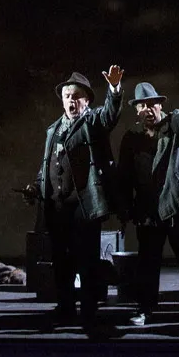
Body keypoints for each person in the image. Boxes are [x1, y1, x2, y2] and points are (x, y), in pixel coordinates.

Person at [30, 65, 124, 330]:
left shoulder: (93, 122)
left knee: (87, 261)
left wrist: (115, 90)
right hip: (57, 208)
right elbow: (45, 166)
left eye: (77, 96)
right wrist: (36, 188)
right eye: (68, 95)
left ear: (86, 100)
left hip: (84, 206)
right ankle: (65, 307)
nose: (72, 100)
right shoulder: (53, 130)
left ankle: (89, 311)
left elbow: (110, 115)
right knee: (61, 262)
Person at [116, 70, 179, 324]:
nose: (148, 109)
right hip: (149, 210)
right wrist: (125, 210)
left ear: (160, 105)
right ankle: (144, 309)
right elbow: (124, 177)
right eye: (142, 106)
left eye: (152, 104)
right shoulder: (132, 139)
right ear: (137, 111)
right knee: (148, 263)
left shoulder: (173, 124)